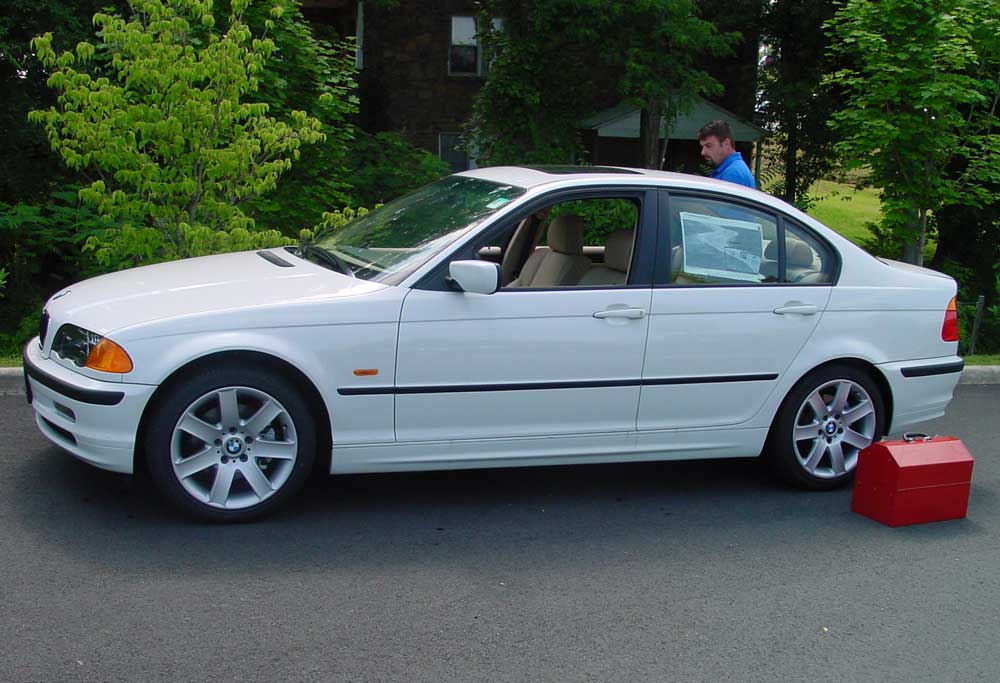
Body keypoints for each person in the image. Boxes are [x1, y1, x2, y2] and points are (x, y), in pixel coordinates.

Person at [698, 120, 756, 189]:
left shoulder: (733, 174)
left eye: (709, 146)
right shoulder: (731, 169)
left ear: (726, 143)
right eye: (702, 147)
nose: (703, 152)